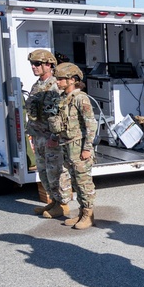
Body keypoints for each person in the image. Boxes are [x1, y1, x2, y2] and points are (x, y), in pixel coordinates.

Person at [46, 63, 97, 229]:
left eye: (61, 79)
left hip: (78, 145)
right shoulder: (63, 98)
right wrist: (54, 137)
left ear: (73, 80)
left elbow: (91, 124)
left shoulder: (80, 98)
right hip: (66, 145)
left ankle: (89, 215)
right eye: (57, 78)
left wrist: (87, 148)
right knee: (74, 181)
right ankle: (81, 212)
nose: (58, 82)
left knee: (84, 181)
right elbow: (59, 122)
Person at [25, 49, 70, 218]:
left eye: (37, 64)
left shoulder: (55, 86)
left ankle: (63, 205)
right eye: (32, 64)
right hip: (39, 136)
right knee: (43, 172)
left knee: (56, 171)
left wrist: (54, 137)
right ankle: (53, 202)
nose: (33, 67)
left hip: (51, 138)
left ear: (49, 65)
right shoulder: (37, 85)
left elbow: (59, 115)